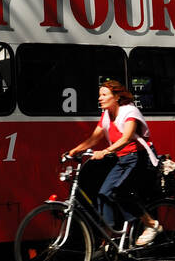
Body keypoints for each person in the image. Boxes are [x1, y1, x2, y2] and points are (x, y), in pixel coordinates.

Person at [65, 80, 161, 246]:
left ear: (116, 97)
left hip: (140, 157)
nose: (100, 98)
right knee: (104, 193)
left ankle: (151, 224)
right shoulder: (106, 116)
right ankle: (110, 236)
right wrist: (75, 150)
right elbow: (94, 138)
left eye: (104, 95)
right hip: (123, 159)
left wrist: (105, 151)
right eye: (99, 95)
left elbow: (126, 138)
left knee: (121, 191)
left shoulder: (130, 111)